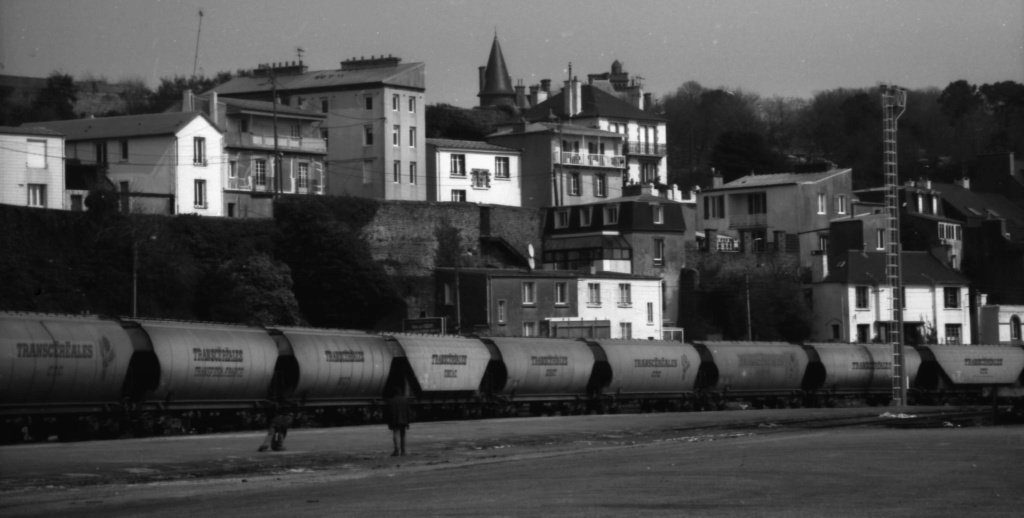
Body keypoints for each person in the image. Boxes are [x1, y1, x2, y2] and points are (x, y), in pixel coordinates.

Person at [385, 388, 412, 456]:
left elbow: (390, 413)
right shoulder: (405, 400)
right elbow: (408, 412)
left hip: (395, 421)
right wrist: (408, 422)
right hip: (404, 421)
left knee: (396, 436)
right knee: (403, 436)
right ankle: (403, 451)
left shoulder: (391, 401)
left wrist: (389, 424)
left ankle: (396, 451)